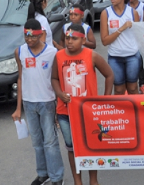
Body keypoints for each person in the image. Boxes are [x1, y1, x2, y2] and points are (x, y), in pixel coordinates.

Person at [52, 24, 114, 185]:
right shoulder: (58, 56)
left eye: (74, 38)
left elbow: (109, 75)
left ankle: (93, 180)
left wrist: (105, 100)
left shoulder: (92, 56)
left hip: (88, 112)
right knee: (72, 147)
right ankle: (77, 180)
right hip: (65, 112)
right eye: (67, 38)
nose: (69, 41)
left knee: (90, 145)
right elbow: (54, 79)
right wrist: (59, 93)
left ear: (83, 40)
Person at [11, 20, 63, 185]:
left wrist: (59, 106)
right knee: (36, 142)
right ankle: (43, 174)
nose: (29, 39)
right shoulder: (19, 52)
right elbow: (21, 79)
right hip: (28, 103)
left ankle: (57, 177)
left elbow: (58, 80)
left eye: (33, 36)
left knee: (50, 142)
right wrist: (18, 108)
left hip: (47, 102)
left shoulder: (53, 53)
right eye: (26, 36)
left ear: (40, 34)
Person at [100, 0, 141, 95]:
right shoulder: (106, 13)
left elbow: (140, 36)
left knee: (132, 88)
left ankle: (136, 111)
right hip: (114, 57)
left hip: (132, 55)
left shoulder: (133, 13)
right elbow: (104, 41)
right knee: (118, 90)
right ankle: (121, 112)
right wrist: (121, 29)